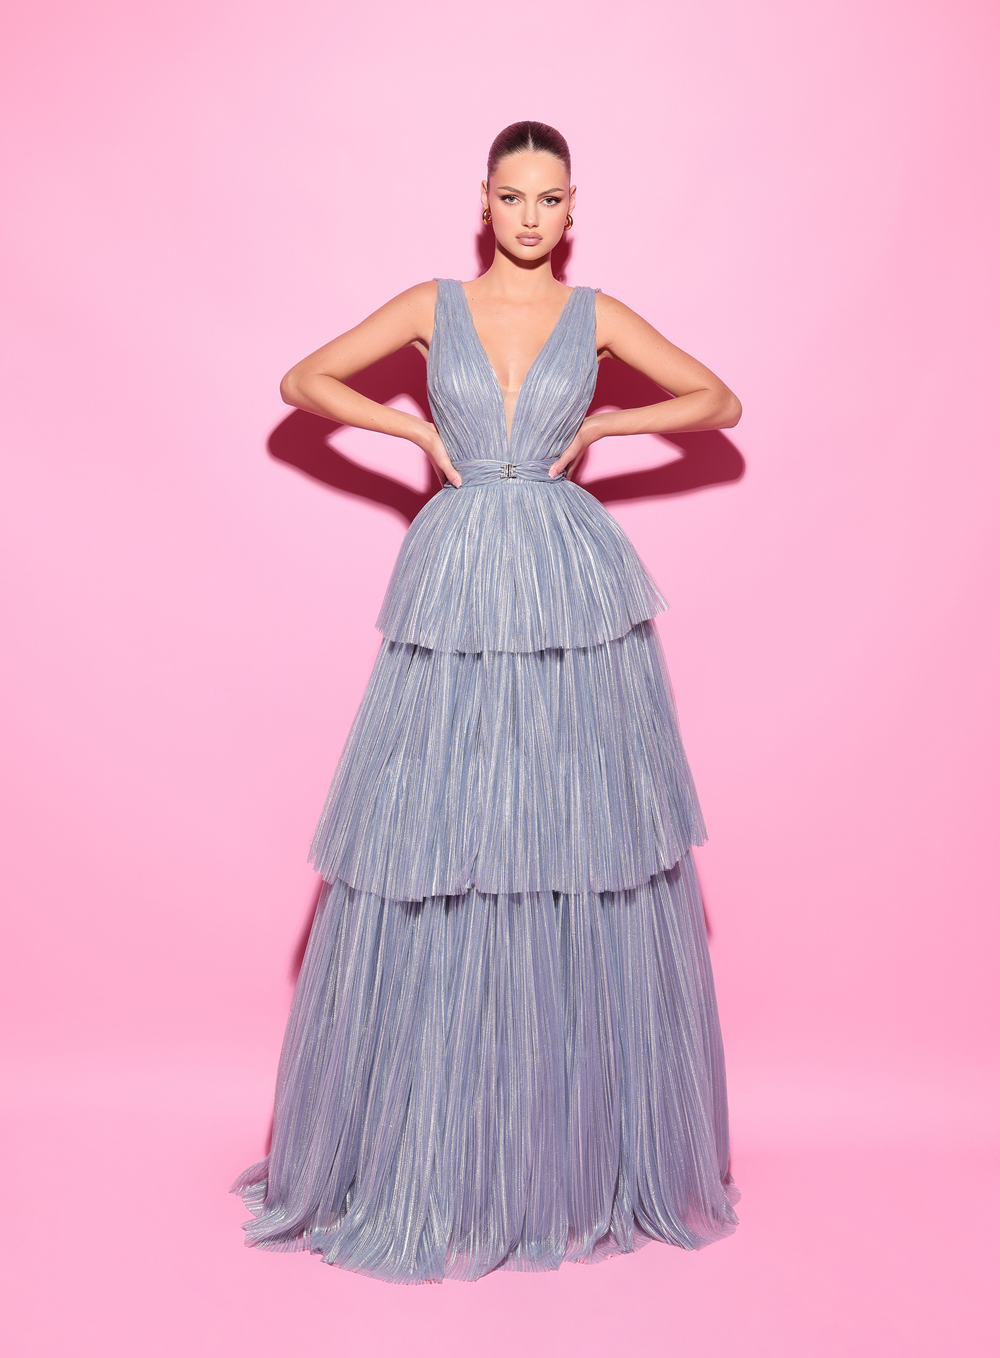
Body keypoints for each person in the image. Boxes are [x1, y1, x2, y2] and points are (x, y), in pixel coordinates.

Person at [232, 120, 742, 1284]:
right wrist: (409, 427)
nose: (529, 217)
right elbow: (302, 382)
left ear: (572, 209)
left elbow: (717, 400)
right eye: (512, 197)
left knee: (575, 829)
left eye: (548, 199)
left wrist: (609, 421)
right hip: (458, 566)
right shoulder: (434, 304)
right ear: (483, 201)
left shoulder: (595, 315)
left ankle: (563, 1147)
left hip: (565, 572)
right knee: (440, 827)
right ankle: (432, 1142)